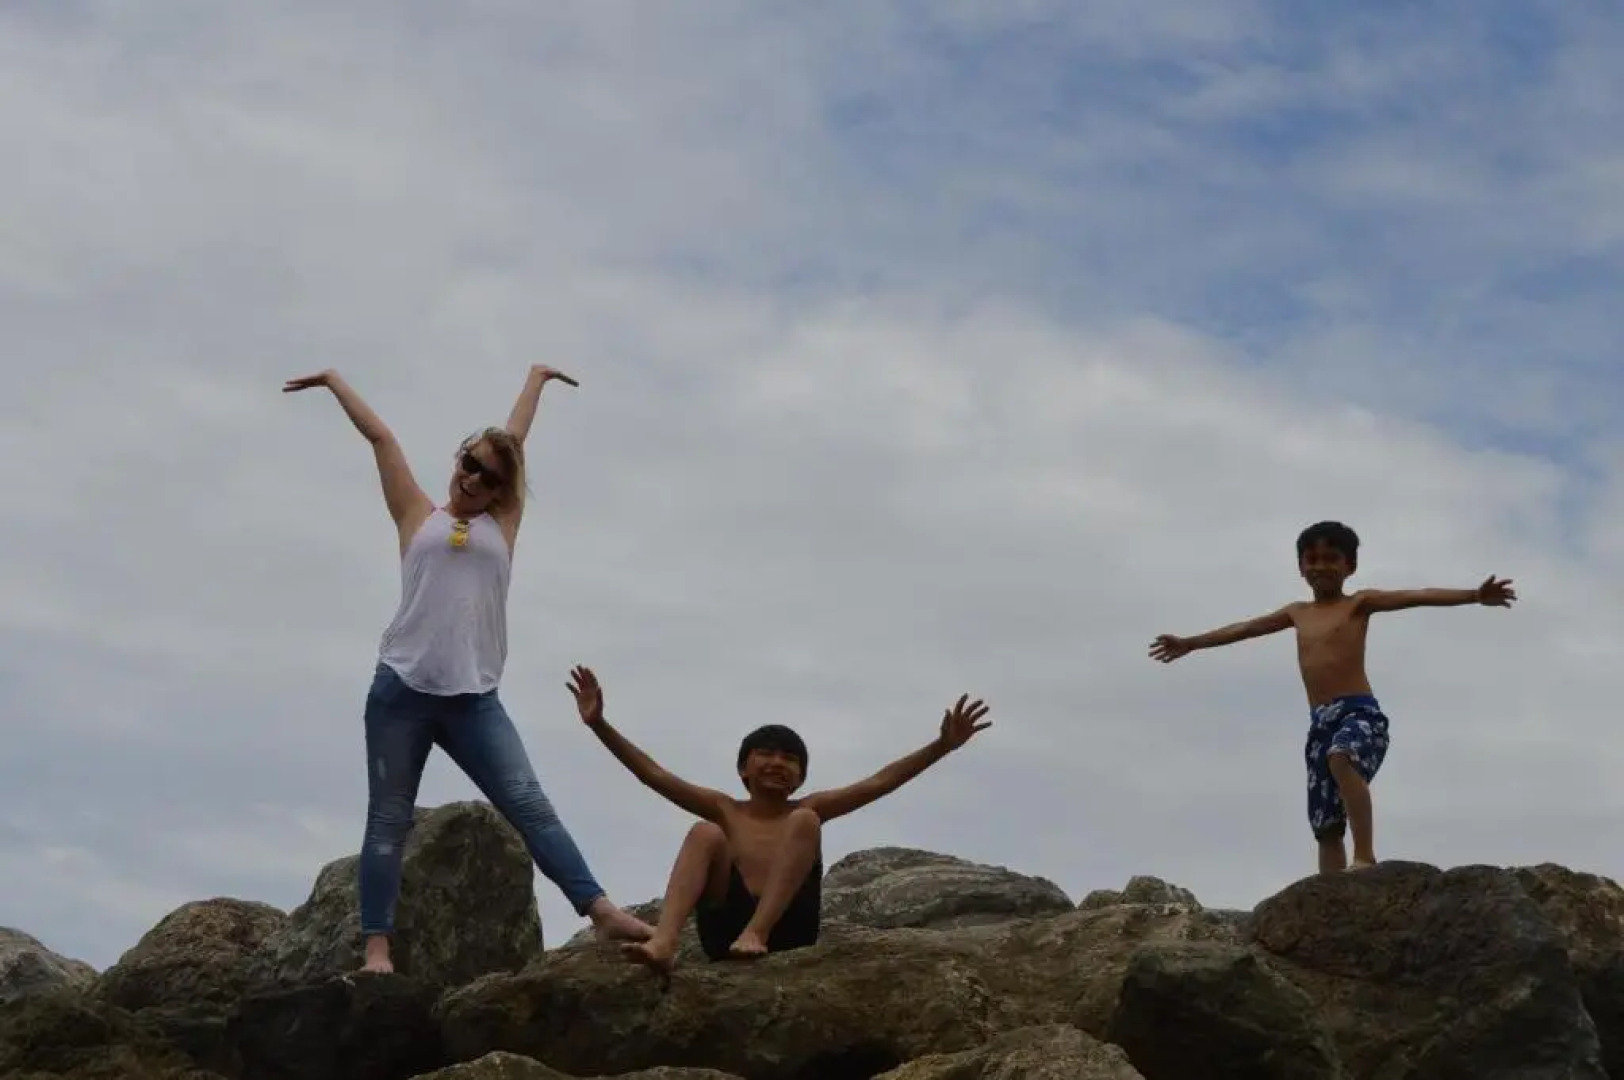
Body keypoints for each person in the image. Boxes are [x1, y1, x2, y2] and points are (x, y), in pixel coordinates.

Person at [283, 365, 652, 974]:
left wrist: (535, 382)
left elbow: (517, 441)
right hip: (400, 691)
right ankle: (377, 947)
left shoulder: (501, 527)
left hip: (474, 701)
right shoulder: (416, 515)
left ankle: (600, 909)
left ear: (502, 490)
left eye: (488, 474)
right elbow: (381, 438)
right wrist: (333, 381)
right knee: (387, 821)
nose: (472, 476)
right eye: (468, 462)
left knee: (530, 804)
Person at [564, 664, 992, 975]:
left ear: (801, 775)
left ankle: (758, 931)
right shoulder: (725, 809)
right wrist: (600, 724)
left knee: (806, 821)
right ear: (743, 769)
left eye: (790, 759)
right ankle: (664, 941)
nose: (777, 763)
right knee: (704, 832)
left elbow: (880, 782)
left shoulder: (807, 809)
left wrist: (941, 747)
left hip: (787, 932)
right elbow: (652, 775)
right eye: (766, 754)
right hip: (723, 932)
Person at [1147, 520, 1515, 874]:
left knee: (1343, 756)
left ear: (1349, 565)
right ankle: (1329, 891)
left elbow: (1415, 596)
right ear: (1301, 567)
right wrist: (1191, 643)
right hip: (1319, 721)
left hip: (1358, 712)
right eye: (1312, 559)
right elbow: (1244, 628)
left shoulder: (1359, 603)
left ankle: (1365, 857)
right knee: (1324, 820)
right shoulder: (1297, 613)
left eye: (1331, 558)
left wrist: (1474, 595)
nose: (1321, 566)